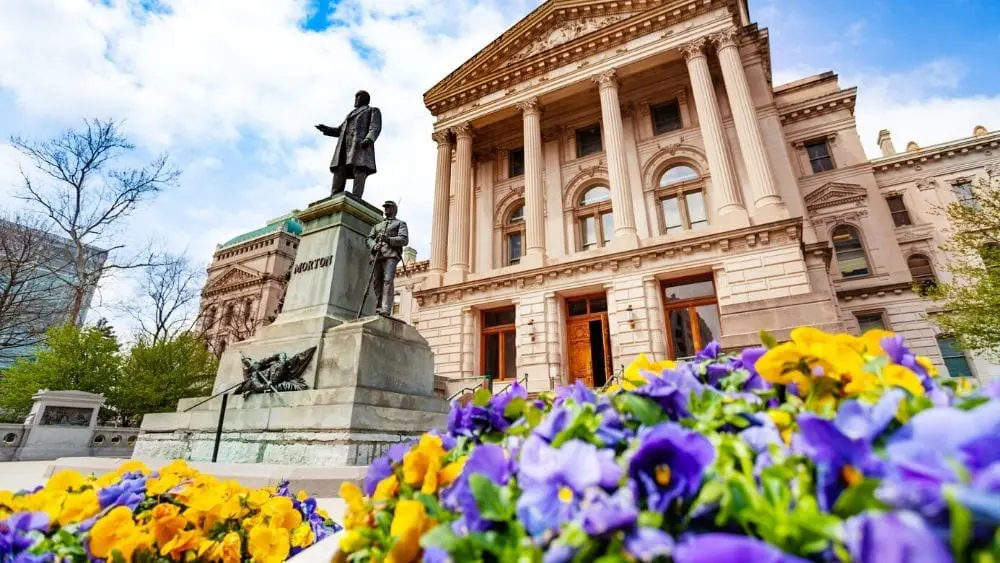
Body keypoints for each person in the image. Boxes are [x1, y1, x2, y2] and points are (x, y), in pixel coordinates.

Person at [315, 90, 382, 198]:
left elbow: (375, 127)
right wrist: (326, 129)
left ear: (365, 99)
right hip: (344, 147)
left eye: (358, 97)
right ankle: (334, 194)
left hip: (359, 144)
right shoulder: (350, 114)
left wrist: (369, 139)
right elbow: (340, 130)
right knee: (340, 168)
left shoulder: (372, 110)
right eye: (355, 97)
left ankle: (356, 196)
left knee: (359, 168)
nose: (355, 99)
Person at [366, 200, 408, 316]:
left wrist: (388, 240)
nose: (386, 209)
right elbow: (369, 238)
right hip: (377, 255)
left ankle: (386, 309)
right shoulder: (377, 226)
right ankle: (378, 308)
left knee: (388, 281)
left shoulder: (400, 224)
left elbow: (404, 240)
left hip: (391, 255)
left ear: (394, 209)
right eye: (385, 207)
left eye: (389, 207)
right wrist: (374, 245)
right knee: (376, 282)